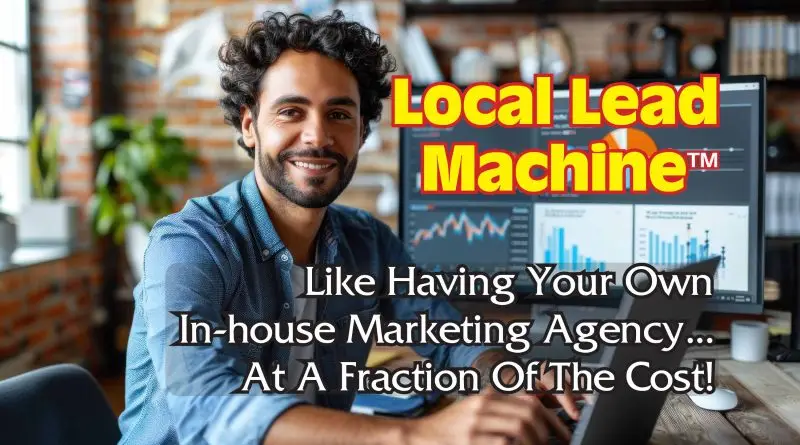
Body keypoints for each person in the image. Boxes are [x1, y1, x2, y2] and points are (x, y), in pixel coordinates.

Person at [117, 10, 581, 445]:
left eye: (339, 114)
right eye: (291, 111)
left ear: (361, 132)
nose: (318, 136)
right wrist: (418, 435)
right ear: (250, 125)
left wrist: (511, 377)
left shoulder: (367, 242)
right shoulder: (189, 244)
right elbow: (204, 406)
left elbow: (449, 336)